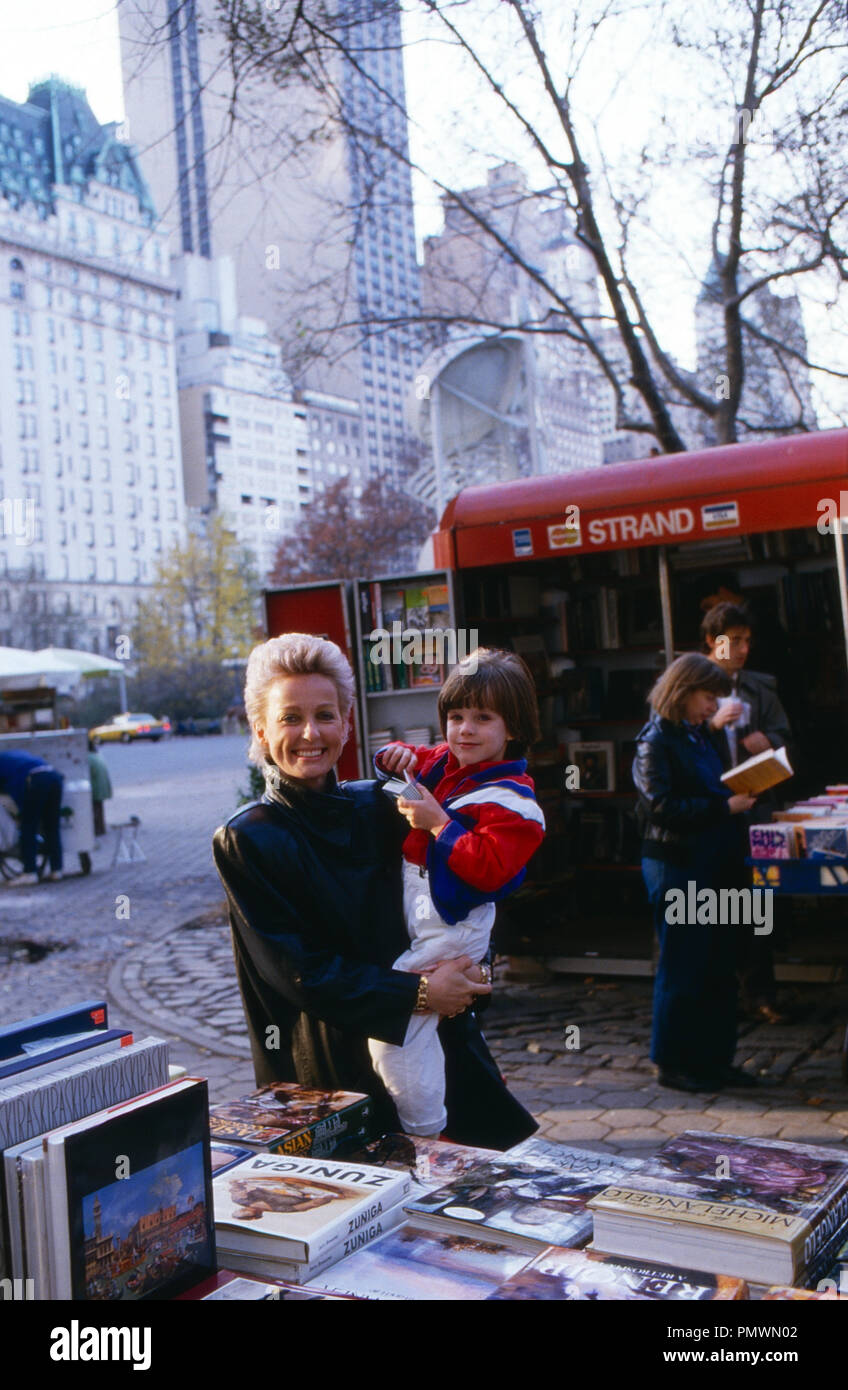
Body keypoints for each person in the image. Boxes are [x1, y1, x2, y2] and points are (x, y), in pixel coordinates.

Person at [212, 633, 538, 1151]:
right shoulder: (248, 837)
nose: (310, 733)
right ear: (260, 729)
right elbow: (301, 973)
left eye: (325, 714)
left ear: (347, 722)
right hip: (328, 1065)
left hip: (435, 1043)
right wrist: (422, 993)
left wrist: (477, 969)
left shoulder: (384, 803)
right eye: (290, 718)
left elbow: (471, 887)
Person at [368, 648, 545, 1136]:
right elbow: (406, 760)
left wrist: (440, 825)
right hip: (426, 914)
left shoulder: (515, 799)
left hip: (453, 923)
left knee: (397, 1021)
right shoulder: (447, 760)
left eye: (483, 718)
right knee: (437, 1032)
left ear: (512, 727)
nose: (465, 729)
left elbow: (489, 869)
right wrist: (393, 756)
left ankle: (424, 1129)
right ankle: (462, 1112)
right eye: (455, 716)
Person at [633, 653, 758, 1092]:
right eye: (708, 697)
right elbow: (662, 807)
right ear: (683, 692)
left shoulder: (696, 736)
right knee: (685, 963)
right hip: (677, 865)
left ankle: (714, 1060)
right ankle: (673, 1062)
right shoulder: (655, 741)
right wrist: (725, 806)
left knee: (720, 963)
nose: (712, 706)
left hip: (711, 861)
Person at [702, 600, 792, 1023]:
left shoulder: (760, 686)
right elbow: (670, 740)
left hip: (755, 807)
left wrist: (768, 741)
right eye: (734, 641)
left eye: (747, 641)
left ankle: (761, 994)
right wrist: (712, 725)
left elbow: (784, 735)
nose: (742, 649)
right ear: (711, 641)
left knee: (759, 902)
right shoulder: (690, 684)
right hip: (712, 810)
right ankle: (720, 996)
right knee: (717, 904)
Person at [0, 750, 64, 884]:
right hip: (53, 776)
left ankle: (30, 872)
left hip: (35, 780)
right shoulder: (11, 755)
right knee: (52, 826)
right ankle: (57, 870)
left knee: (28, 826)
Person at [87, 740, 113, 837]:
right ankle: (101, 828)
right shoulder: (96, 755)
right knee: (98, 808)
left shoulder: (87, 757)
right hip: (103, 786)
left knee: (95, 809)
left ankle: (97, 830)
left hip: (97, 787)